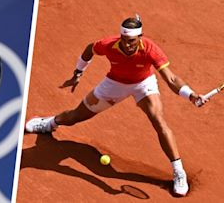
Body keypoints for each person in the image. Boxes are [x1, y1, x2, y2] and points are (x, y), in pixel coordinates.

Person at [25, 15, 209, 197]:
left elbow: (171, 78)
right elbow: (89, 49)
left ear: (140, 37)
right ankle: (50, 123)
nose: (127, 45)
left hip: (143, 84)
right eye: (124, 40)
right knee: (75, 116)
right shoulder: (108, 44)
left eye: (132, 41)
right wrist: (78, 72)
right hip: (113, 84)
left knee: (158, 120)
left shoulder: (151, 50)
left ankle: (178, 171)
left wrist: (191, 95)